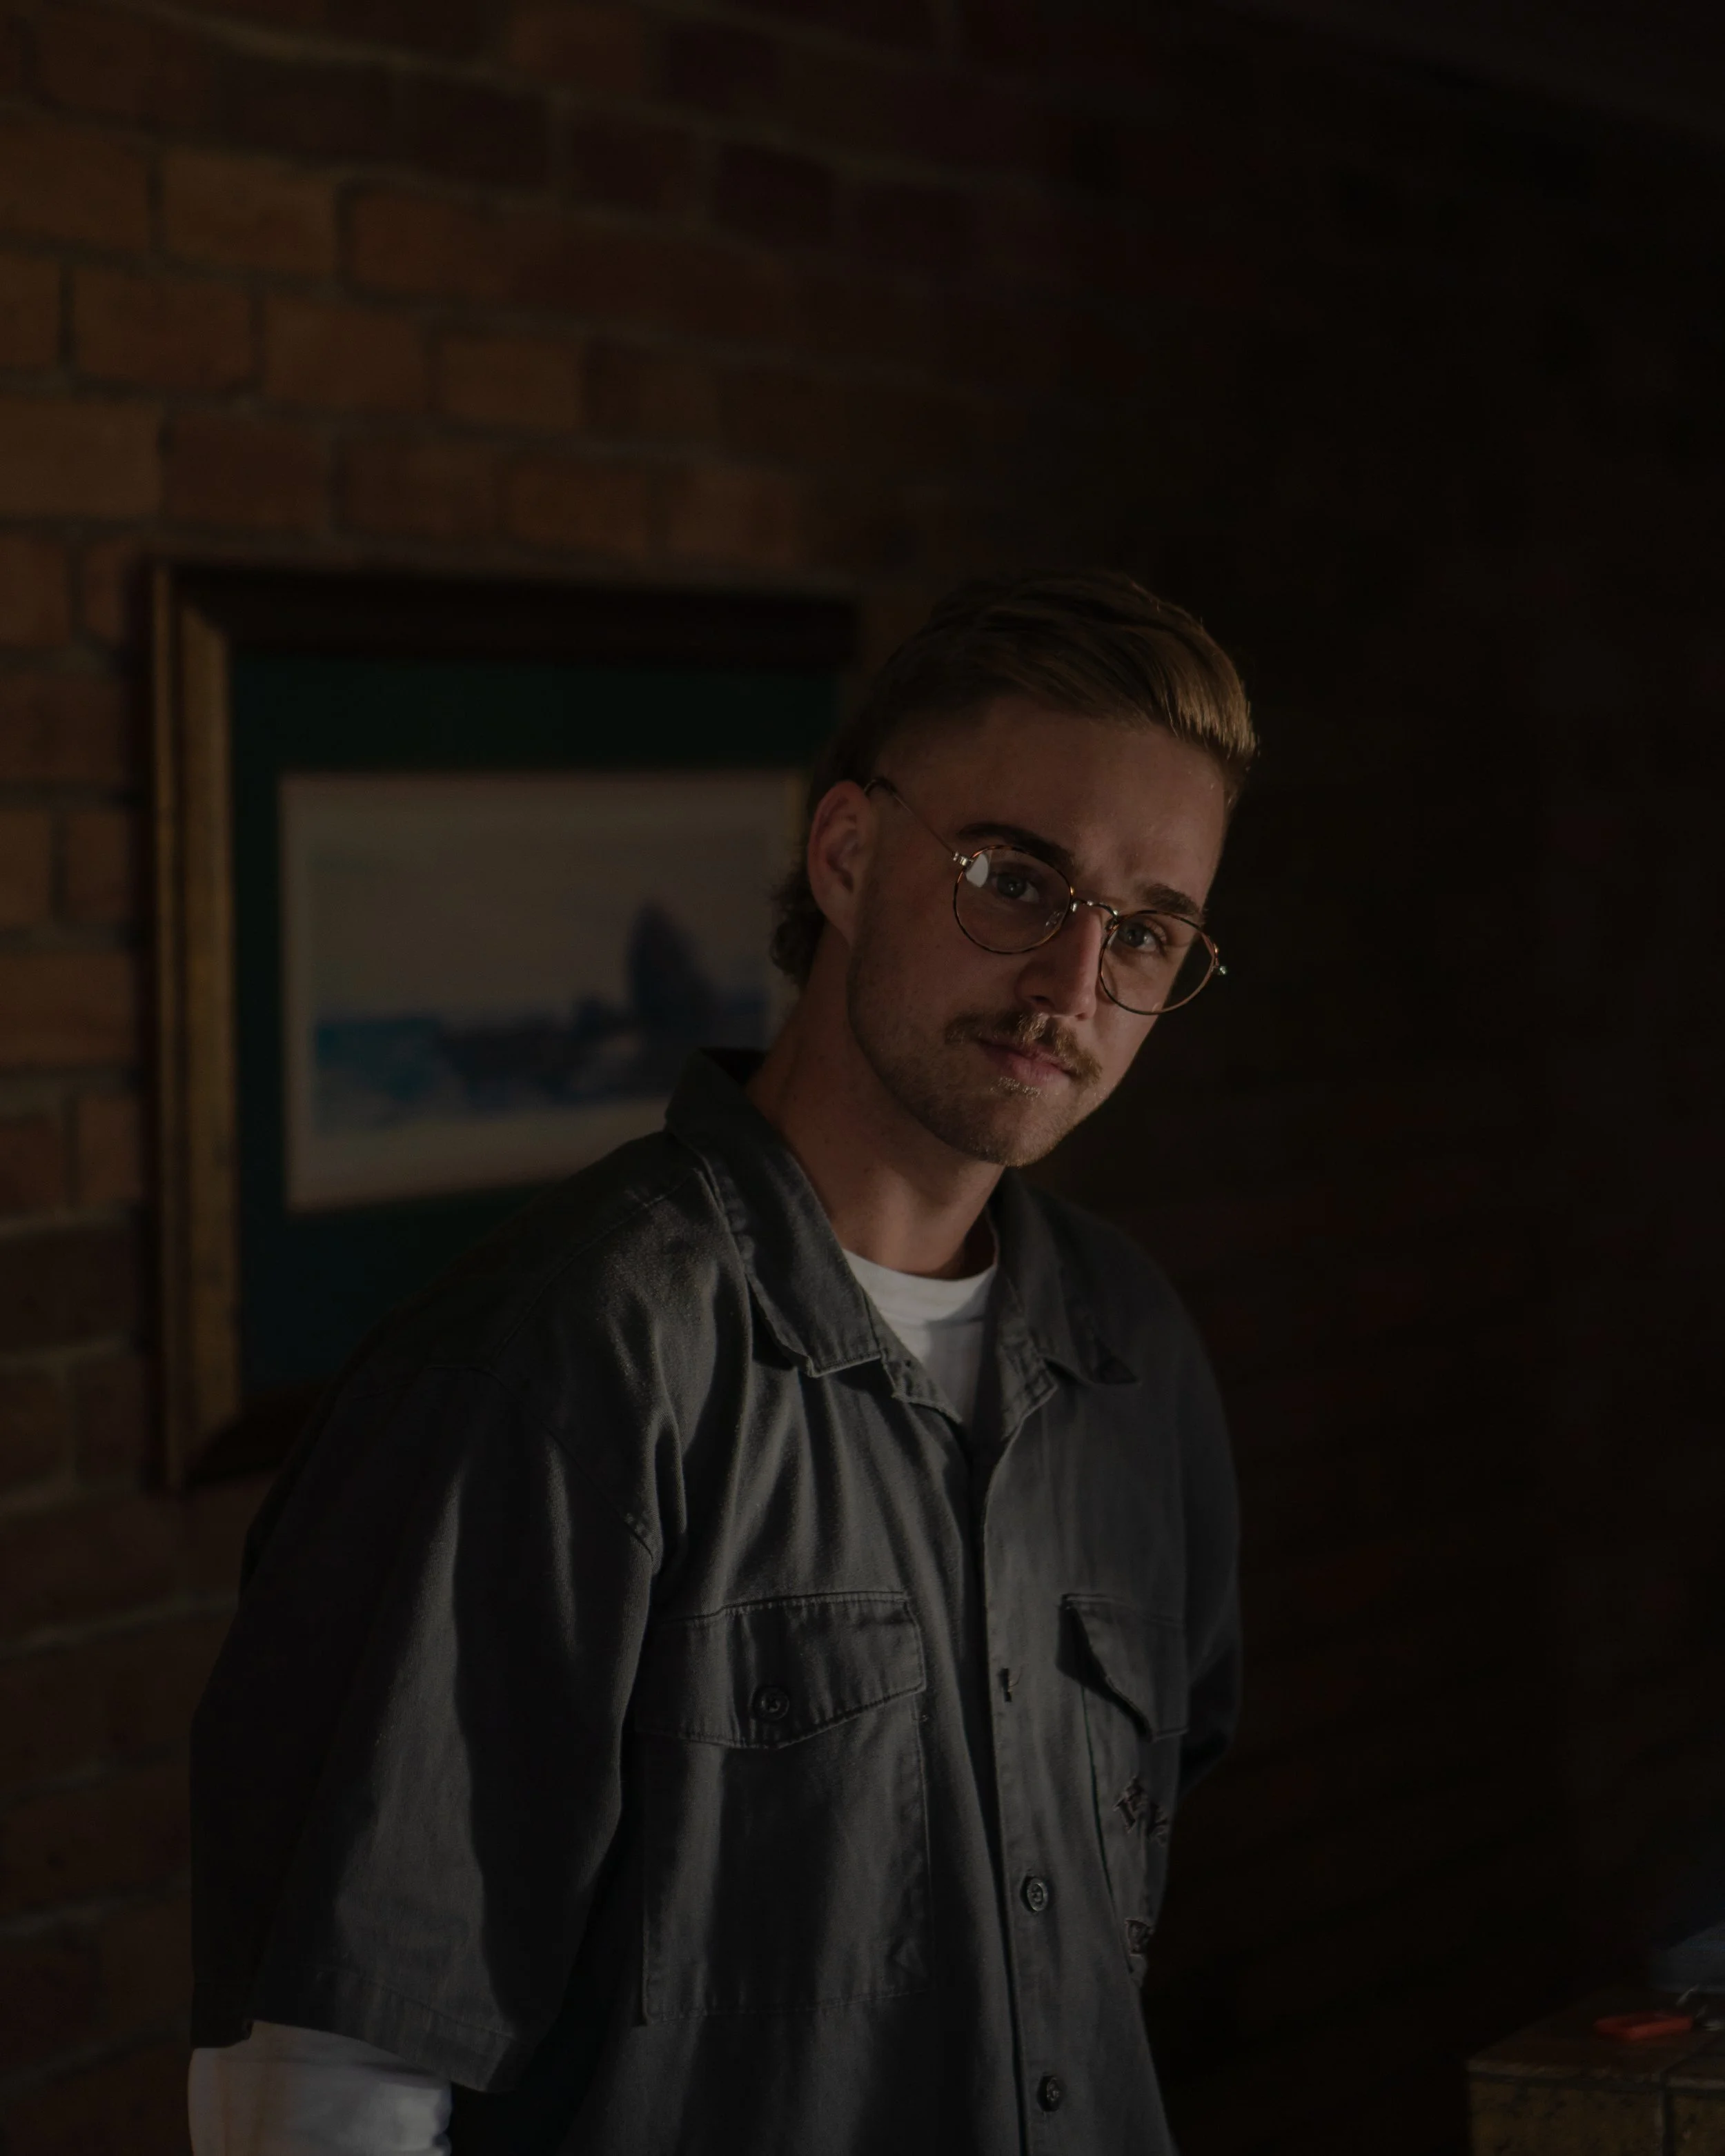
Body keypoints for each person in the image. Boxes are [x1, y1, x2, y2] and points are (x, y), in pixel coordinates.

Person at [188, 569, 1256, 2156]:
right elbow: (328, 2072)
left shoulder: (1128, 1350)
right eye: (1014, 881)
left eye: (1147, 930)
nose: (1071, 984)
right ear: (843, 854)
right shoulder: (571, 1349)